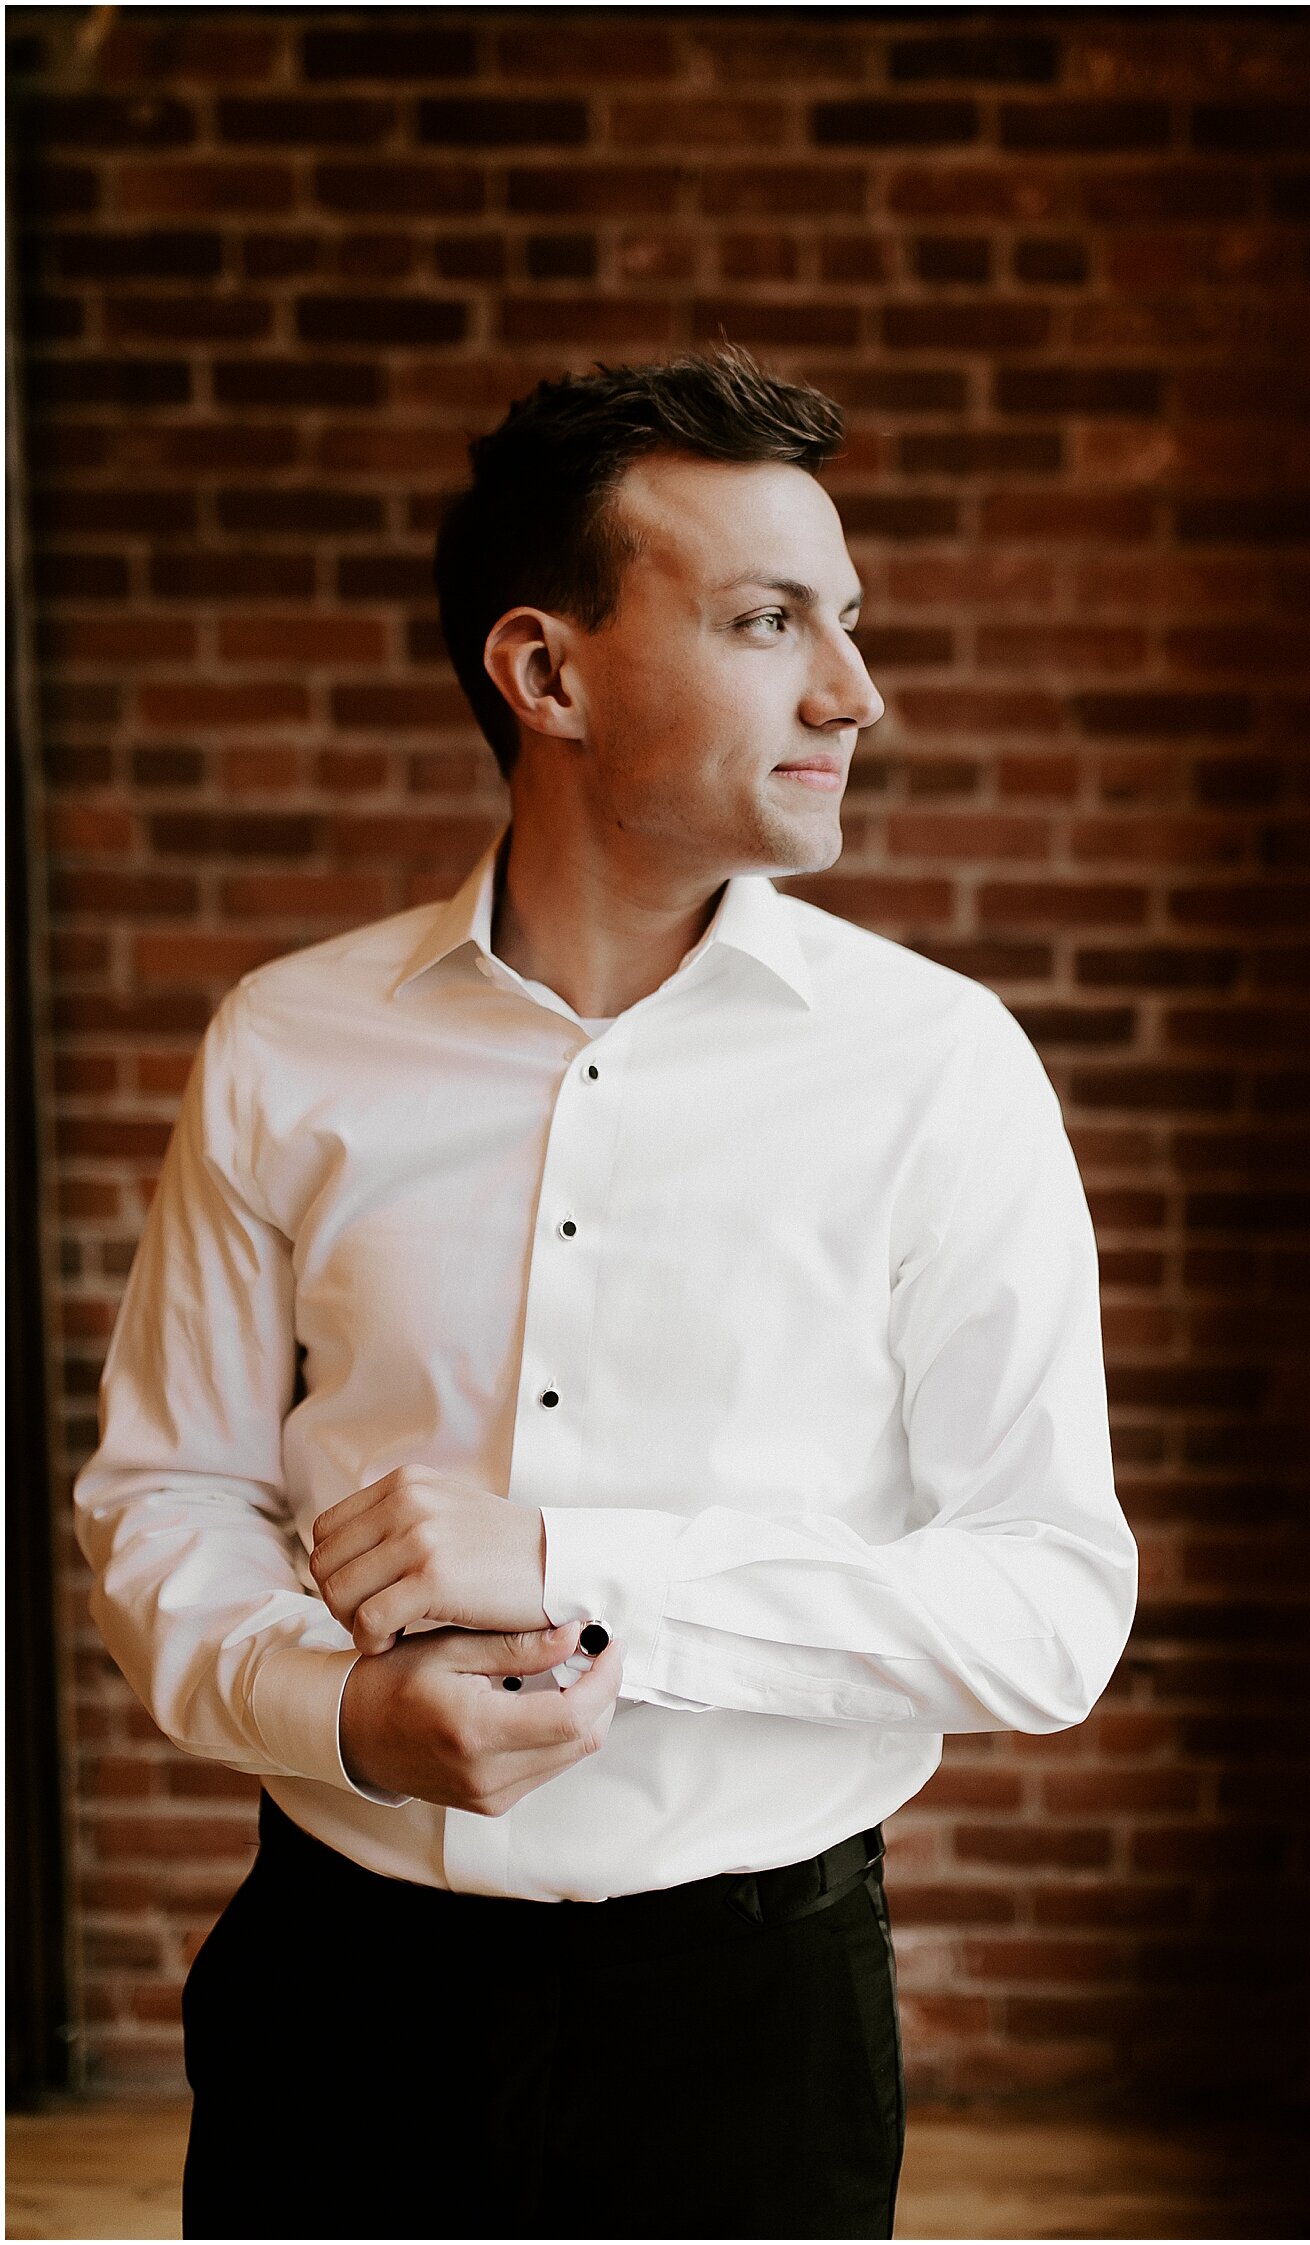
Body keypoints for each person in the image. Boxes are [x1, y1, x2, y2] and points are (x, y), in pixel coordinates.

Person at [73, 347, 1138, 2241]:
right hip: (338, 1996)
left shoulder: (941, 1069)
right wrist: (343, 1715)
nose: (853, 690)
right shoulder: (285, 1046)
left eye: (848, 621)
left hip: (756, 2024)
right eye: (765, 620)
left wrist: (575, 1561)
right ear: (545, 671)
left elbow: (1049, 1608)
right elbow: (166, 1500)